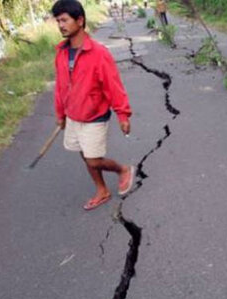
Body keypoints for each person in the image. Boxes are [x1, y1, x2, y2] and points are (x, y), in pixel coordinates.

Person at [52, 0, 135, 211]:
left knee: (94, 160)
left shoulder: (98, 53)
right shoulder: (61, 52)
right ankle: (102, 190)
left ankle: (123, 170)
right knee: (84, 155)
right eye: (58, 20)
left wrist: (122, 115)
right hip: (73, 116)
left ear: (80, 20)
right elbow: (60, 86)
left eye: (64, 20)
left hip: (94, 116)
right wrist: (61, 113)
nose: (60, 25)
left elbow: (113, 86)